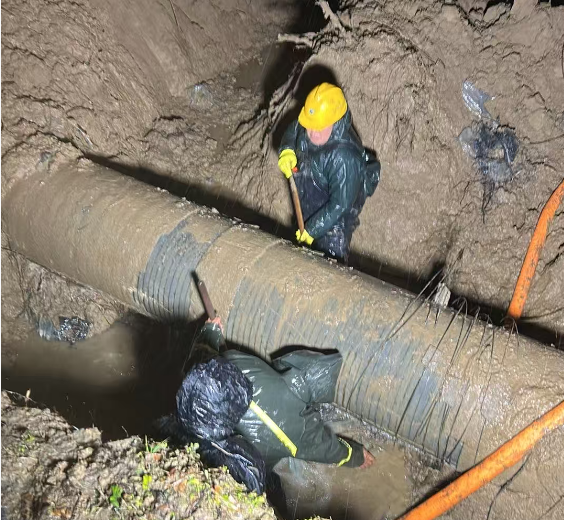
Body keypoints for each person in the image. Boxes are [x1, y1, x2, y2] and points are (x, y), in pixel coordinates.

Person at [174, 315, 375, 494]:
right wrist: (357, 456)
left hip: (203, 434)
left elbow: (201, 363)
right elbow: (328, 450)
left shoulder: (236, 364)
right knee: (267, 484)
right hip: (247, 461)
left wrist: (210, 333)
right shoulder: (296, 428)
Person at [278, 82, 381, 263]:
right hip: (310, 198)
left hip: (336, 220)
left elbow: (340, 204)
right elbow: (295, 128)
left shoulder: (344, 157)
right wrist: (287, 149)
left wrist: (312, 230)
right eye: (310, 126)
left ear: (336, 121)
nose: (313, 133)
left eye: (320, 128)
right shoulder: (312, 124)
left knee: (330, 261)